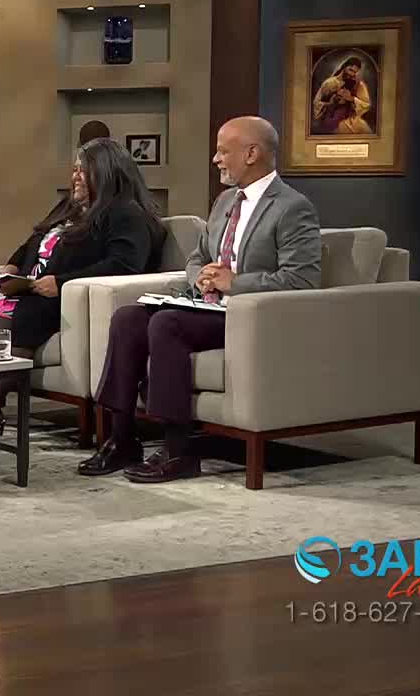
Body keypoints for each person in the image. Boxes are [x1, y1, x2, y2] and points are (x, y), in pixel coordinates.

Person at [81, 116, 322, 482]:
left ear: (252, 153)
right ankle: (121, 436)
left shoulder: (292, 207)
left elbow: (303, 279)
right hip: (209, 307)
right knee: (128, 318)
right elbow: (197, 257)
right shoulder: (226, 201)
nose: (216, 159)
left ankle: (179, 450)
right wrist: (203, 276)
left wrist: (235, 282)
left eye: (224, 151)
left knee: (166, 323)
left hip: (250, 317)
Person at [0, 137, 167, 443]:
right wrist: (10, 268)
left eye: (82, 171)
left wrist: (60, 283)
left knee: (9, 317)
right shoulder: (69, 207)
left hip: (62, 297)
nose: (74, 177)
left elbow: (124, 265)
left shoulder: (125, 213)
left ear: (106, 172)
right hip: (31, 288)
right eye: (74, 170)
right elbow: (33, 242)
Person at [312, 56, 373, 134]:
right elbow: (316, 104)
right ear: (344, 67)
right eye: (350, 70)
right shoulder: (329, 83)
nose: (352, 74)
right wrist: (331, 102)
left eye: (355, 72)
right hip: (333, 120)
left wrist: (351, 98)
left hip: (353, 120)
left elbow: (366, 104)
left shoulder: (359, 85)